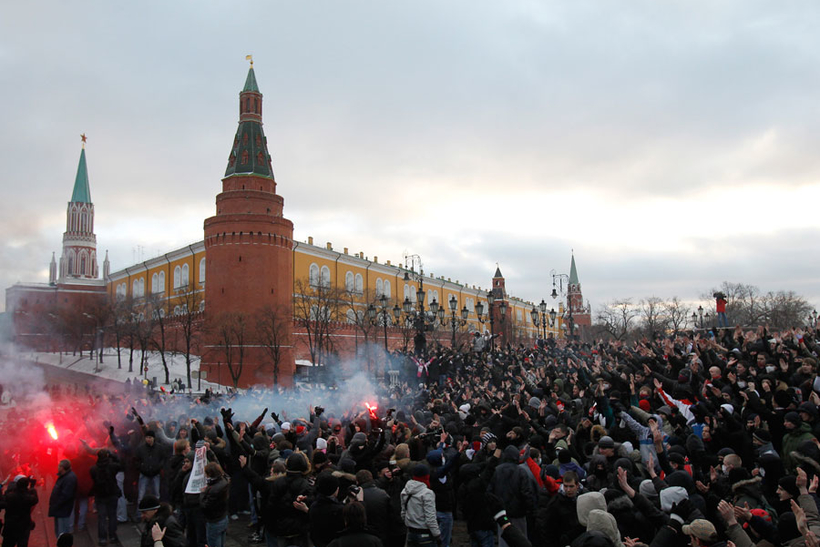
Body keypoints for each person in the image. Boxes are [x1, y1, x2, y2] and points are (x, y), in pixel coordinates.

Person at [401, 464, 441, 547]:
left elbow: (403, 513)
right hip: (425, 534)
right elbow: (430, 518)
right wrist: (437, 535)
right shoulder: (427, 493)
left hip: (411, 532)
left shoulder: (405, 490)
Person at [89, 449, 123, 546]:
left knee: (101, 517)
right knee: (112, 516)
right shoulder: (112, 467)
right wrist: (113, 456)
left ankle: (102, 538)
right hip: (112, 494)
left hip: (100, 495)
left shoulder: (93, 469)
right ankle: (112, 536)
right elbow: (120, 465)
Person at [2, 476, 39, 547]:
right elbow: (35, 499)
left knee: (7, 544)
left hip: (10, 525)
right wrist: (32, 488)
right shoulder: (28, 498)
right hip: (23, 527)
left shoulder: (10, 496)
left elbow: (3, 502)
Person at [200, 462, 230, 547]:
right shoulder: (224, 481)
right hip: (223, 517)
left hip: (214, 521)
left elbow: (205, 506)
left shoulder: (213, 490)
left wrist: (202, 494)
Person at [49, 459, 78, 537]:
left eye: (59, 466)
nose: (57, 467)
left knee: (62, 530)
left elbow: (66, 495)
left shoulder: (69, 478)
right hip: (60, 508)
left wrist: (56, 504)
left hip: (63, 508)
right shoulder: (65, 476)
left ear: (63, 467)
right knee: (59, 529)